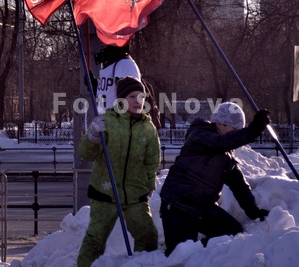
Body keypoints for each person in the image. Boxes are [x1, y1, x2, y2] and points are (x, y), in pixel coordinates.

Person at [159, 102, 271, 256]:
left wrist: (254, 211)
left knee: (233, 234)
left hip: (202, 208)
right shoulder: (200, 136)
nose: (235, 135)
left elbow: (239, 186)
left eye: (237, 131)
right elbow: (222, 142)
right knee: (180, 255)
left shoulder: (227, 155)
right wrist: (253, 130)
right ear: (219, 124)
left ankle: (204, 254)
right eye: (233, 130)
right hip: (178, 205)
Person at [77, 76, 161, 267]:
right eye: (132, 96)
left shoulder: (148, 128)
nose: (138, 101)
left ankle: (142, 264)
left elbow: (152, 161)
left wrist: (149, 186)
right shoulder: (106, 122)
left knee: (148, 236)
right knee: (95, 240)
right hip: (104, 193)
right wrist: (93, 137)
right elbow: (86, 153)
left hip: (135, 196)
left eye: (141, 97)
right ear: (121, 99)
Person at [94, 44, 141, 113]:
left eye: (105, 40)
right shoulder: (111, 65)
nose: (100, 42)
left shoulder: (124, 65)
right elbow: (108, 95)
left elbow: (131, 101)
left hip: (118, 122)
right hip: (108, 121)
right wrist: (94, 85)